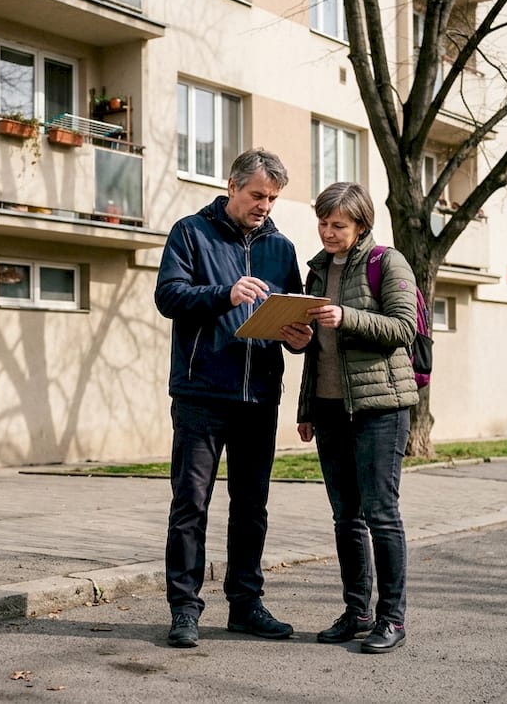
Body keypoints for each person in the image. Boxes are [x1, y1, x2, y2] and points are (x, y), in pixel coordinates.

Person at [154, 148, 313, 648]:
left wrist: (297, 336)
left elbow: (292, 313)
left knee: (251, 506)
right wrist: (224, 293)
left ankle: (245, 605)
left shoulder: (282, 249)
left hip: (259, 397)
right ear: (232, 187)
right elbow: (168, 296)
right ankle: (184, 610)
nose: (264, 204)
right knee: (191, 504)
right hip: (202, 392)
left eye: (272, 197)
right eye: (256, 195)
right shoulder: (190, 232)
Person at [296, 181, 418, 654]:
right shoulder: (317, 269)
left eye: (338, 225)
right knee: (345, 517)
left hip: (380, 409)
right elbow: (315, 351)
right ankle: (357, 611)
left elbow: (403, 329)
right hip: (328, 410)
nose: (328, 231)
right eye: (323, 223)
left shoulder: (387, 263)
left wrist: (347, 317)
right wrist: (306, 408)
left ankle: (392, 619)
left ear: (361, 224)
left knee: (381, 515)